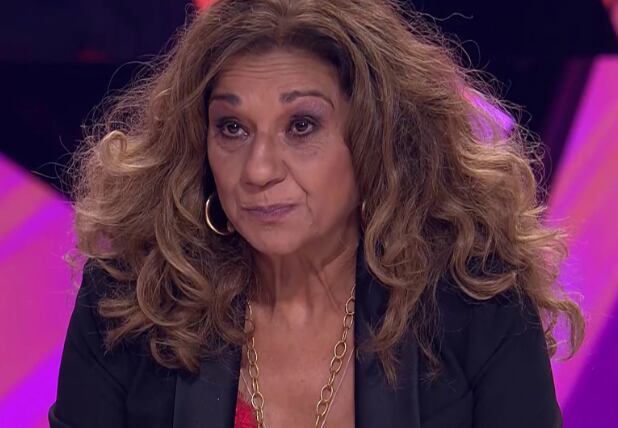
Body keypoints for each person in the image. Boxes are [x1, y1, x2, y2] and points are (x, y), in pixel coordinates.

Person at [49, 0, 585, 427]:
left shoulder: (478, 306)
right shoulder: (127, 305)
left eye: (301, 126)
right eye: (232, 128)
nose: (258, 169)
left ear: (373, 139)